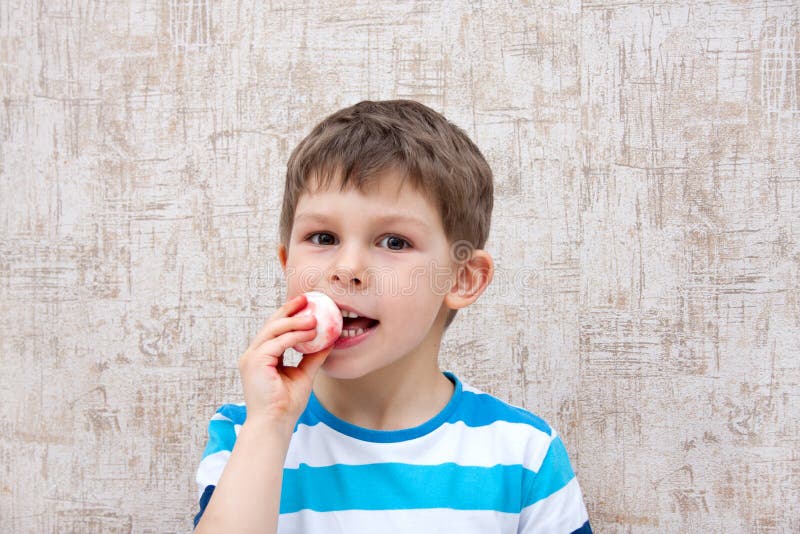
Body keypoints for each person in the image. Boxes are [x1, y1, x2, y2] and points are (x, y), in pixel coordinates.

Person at [192, 99, 592, 533]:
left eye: (394, 242)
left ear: (461, 279)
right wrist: (270, 424)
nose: (346, 268)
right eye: (322, 236)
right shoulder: (245, 436)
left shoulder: (522, 456)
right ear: (287, 262)